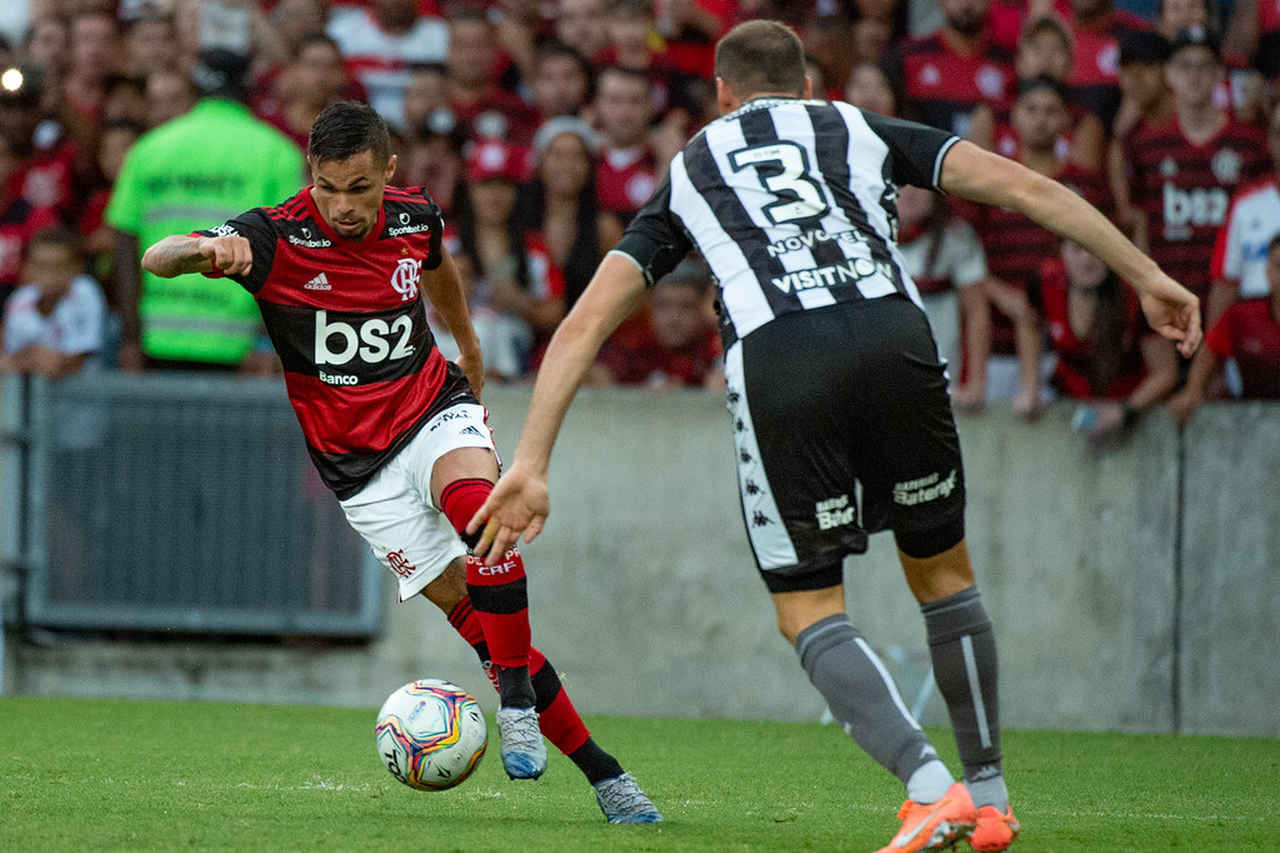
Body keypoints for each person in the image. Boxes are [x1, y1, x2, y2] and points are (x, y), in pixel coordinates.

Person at [466, 20, 1201, 853]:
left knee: (808, 607)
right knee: (945, 576)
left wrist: (530, 461)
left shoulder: (696, 164)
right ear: (809, 88)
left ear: (720, 94)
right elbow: (1029, 189)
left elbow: (585, 323)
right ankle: (991, 796)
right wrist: (1148, 277)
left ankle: (931, 790)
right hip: (897, 331)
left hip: (783, 352)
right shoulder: (855, 125)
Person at [137, 101, 660, 824]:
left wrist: (468, 346)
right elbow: (153, 257)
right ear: (309, 176)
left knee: (486, 512)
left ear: (388, 171)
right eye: (327, 187)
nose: (342, 206)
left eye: (358, 187)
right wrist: (198, 251)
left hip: (431, 409)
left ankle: (513, 701)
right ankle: (605, 772)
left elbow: (437, 270)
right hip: (359, 468)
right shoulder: (271, 235)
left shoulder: (415, 215)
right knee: (482, 625)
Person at [107, 49, 304, 372]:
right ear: (248, 87)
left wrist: (130, 338)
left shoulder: (148, 149)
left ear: (195, 87)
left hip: (156, 340)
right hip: (242, 348)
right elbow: (290, 250)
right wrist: (265, 339)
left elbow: (125, 244)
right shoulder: (277, 154)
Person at [1041, 240, 1180, 441]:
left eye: (1096, 249)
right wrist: (1029, 386)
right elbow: (1027, 320)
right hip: (1068, 403)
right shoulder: (1046, 280)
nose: (1087, 260)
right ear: (1060, 252)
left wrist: (1125, 410)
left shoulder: (1139, 299)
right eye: (1077, 249)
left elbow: (1166, 373)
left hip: (1132, 410)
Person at [1169, 233, 1280, 418]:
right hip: (1251, 421)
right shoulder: (1242, 315)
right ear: (1268, 272)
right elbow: (1209, 350)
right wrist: (1194, 389)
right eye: (1279, 266)